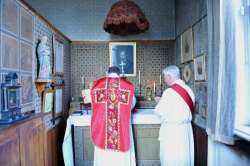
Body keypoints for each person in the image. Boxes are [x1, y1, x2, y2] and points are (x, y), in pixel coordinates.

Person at [90, 66, 136, 166]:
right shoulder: (127, 86)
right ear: (119, 75)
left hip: (104, 128)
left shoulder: (99, 85)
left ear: (107, 74)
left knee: (104, 155)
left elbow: (93, 104)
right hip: (122, 127)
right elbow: (131, 105)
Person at [154, 65, 195, 166]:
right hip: (185, 130)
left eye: (164, 77)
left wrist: (160, 102)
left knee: (171, 158)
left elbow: (160, 111)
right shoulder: (189, 90)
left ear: (169, 76)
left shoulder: (169, 92)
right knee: (184, 157)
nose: (164, 80)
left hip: (172, 132)